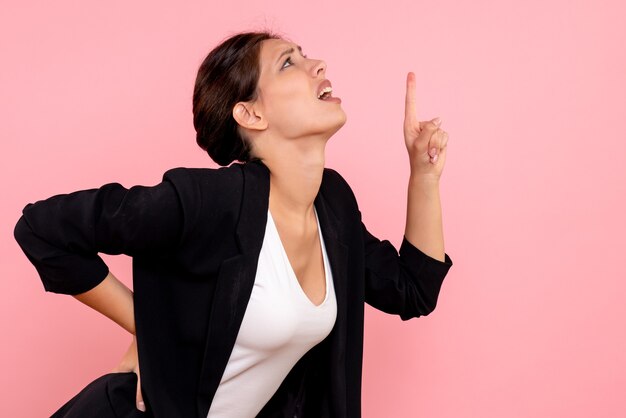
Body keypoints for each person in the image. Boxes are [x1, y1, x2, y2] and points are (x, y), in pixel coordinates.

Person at [13, 30, 453, 418]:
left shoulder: (332, 204)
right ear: (250, 115)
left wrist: (424, 175)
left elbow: (412, 289)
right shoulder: (210, 202)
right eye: (288, 63)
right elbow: (40, 229)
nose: (318, 64)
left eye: (304, 55)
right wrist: (151, 336)